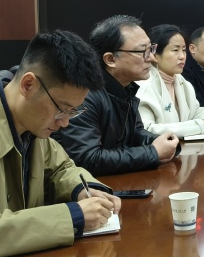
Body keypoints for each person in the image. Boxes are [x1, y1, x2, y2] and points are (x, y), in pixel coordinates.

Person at [0, 31, 122, 257]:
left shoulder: (33, 125)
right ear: (28, 85)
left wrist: (84, 190)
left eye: (73, 111)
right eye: (62, 109)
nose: (65, 122)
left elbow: (61, 169)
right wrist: (73, 216)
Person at [54, 15, 180, 175]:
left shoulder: (126, 88)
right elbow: (87, 159)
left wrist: (159, 141)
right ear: (110, 59)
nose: (152, 58)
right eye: (142, 51)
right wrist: (153, 152)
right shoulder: (84, 95)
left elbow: (135, 133)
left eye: (151, 49)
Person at [136, 24, 204, 138]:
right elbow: (147, 130)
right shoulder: (144, 86)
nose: (182, 56)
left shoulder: (182, 81)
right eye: (175, 50)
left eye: (183, 50)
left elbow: (197, 110)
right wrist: (201, 126)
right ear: (155, 55)